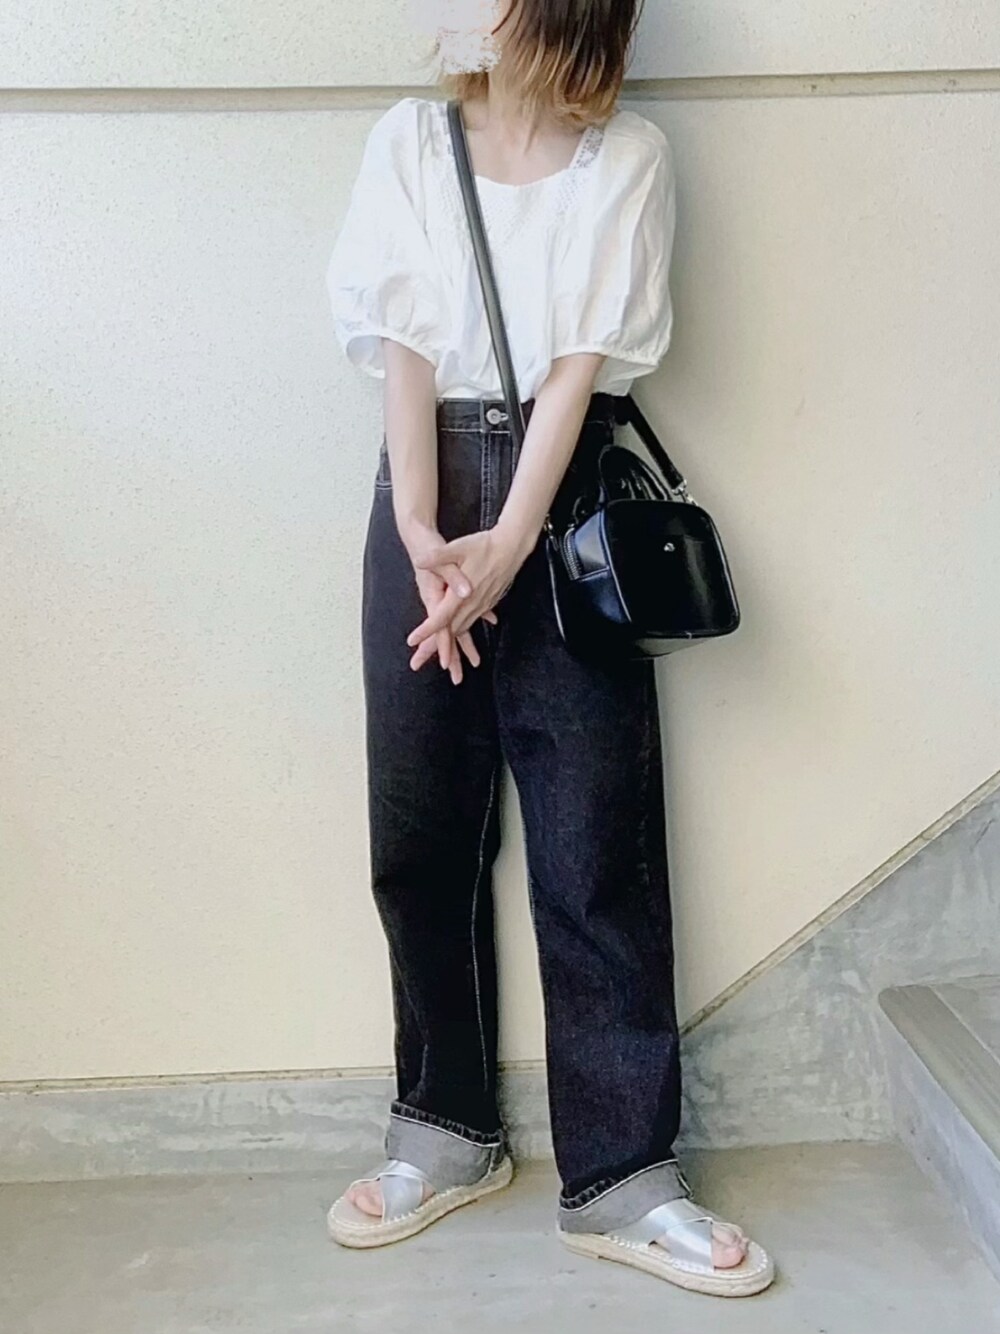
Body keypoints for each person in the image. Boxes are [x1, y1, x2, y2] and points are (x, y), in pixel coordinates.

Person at [323, 0, 775, 1299]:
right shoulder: (409, 141)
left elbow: (580, 368)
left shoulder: (625, 158)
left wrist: (510, 540)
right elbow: (406, 349)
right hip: (422, 501)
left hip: (563, 507)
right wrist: (423, 526)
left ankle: (623, 1171)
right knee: (421, 827)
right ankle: (443, 1125)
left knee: (595, 842)